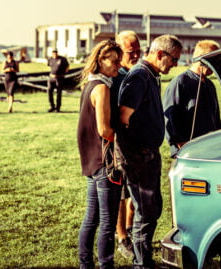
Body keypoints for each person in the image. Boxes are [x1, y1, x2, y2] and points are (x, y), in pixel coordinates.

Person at [117, 34, 182, 268]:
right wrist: (136, 154)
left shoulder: (152, 75)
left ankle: (143, 258)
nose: (175, 64)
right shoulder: (140, 76)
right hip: (139, 155)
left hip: (149, 152)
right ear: (160, 54)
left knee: (152, 209)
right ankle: (141, 263)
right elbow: (123, 118)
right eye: (173, 59)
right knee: (144, 212)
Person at [77, 39, 123, 269]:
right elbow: (104, 129)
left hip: (92, 161)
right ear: (100, 61)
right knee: (107, 222)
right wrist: (123, 137)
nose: (118, 65)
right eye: (113, 61)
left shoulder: (90, 84)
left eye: (119, 60)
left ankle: (86, 265)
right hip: (105, 164)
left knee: (91, 219)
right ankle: (106, 265)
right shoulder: (102, 88)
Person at [110, 31, 142, 260]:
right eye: (131, 51)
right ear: (120, 51)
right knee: (121, 191)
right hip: (120, 143)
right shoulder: (115, 77)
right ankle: (121, 235)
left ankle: (130, 230)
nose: (136, 54)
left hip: (137, 141)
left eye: (139, 50)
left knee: (133, 189)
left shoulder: (135, 74)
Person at [163, 40, 221, 158]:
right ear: (201, 59)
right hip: (187, 151)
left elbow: (216, 118)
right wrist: (182, 144)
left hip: (209, 149)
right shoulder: (180, 83)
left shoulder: (210, 85)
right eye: (213, 61)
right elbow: (170, 118)